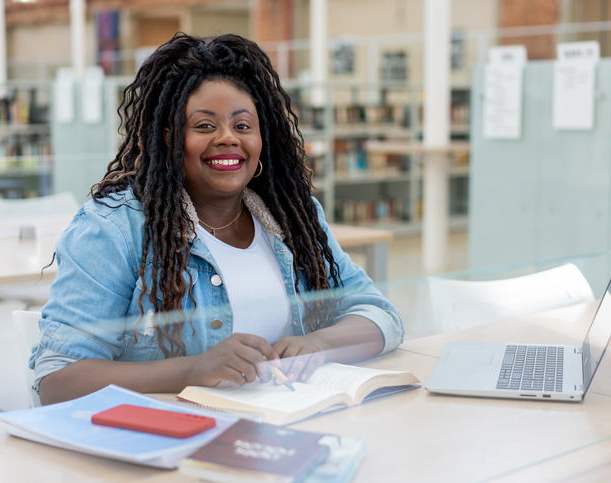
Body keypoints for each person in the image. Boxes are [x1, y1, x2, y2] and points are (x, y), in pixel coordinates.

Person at [32, 32, 404, 405]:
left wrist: (317, 345)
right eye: (205, 126)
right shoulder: (114, 229)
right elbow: (58, 379)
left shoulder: (295, 219)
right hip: (172, 441)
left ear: (262, 139)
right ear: (169, 140)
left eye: (242, 126)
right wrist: (193, 370)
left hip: (287, 423)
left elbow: (378, 315)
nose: (228, 138)